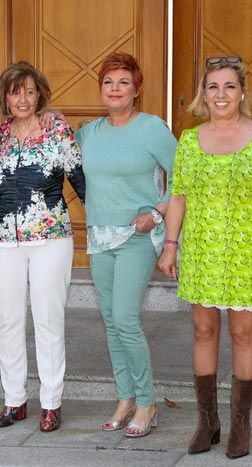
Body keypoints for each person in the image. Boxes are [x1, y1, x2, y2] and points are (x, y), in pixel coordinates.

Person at [157, 56, 252, 458]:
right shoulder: (188, 140)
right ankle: (208, 422)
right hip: (200, 248)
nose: (221, 95)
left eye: (229, 86)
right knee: (203, 330)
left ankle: (241, 425)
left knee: (242, 332)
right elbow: (178, 197)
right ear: (204, 93)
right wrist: (170, 245)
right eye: (213, 87)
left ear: (242, 92)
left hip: (243, 250)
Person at [76, 51, 177, 438]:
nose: (115, 89)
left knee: (126, 319)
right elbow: (60, 151)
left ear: (136, 89)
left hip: (138, 235)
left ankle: (148, 403)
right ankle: (125, 397)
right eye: (108, 82)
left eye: (123, 82)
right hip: (99, 238)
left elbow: (183, 179)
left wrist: (159, 212)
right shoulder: (89, 132)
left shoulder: (152, 128)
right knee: (110, 322)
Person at [0, 61, 85, 433]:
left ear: (40, 94)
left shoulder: (57, 129)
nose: (23, 98)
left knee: (47, 320)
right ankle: (14, 400)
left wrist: (105, 231)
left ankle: (51, 402)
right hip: (2, 240)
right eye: (15, 91)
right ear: (5, 98)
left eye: (30, 91)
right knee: (7, 320)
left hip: (50, 239)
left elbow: (80, 180)